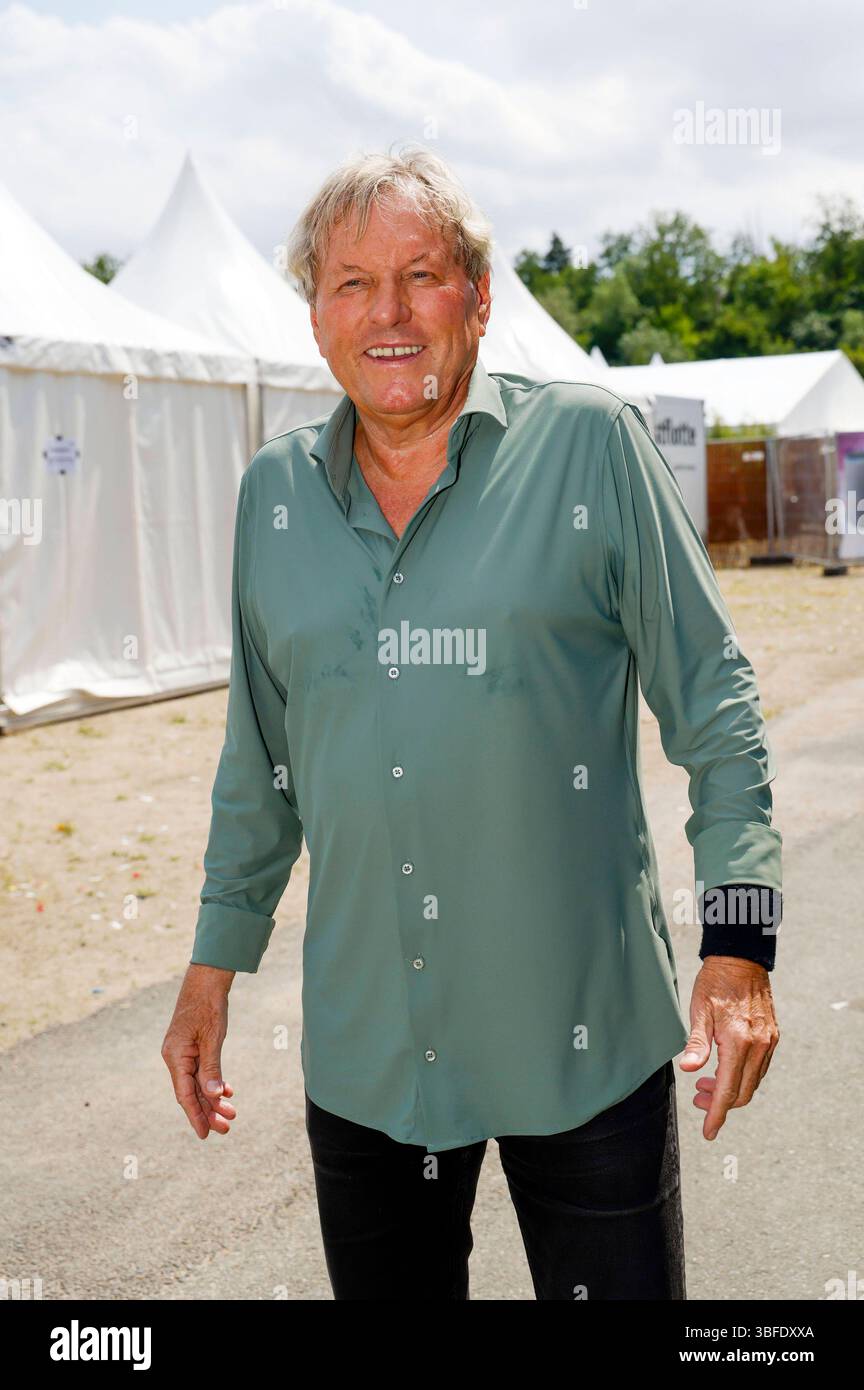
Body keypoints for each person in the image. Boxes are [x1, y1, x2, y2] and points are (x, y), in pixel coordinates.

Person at [162, 145, 782, 1300]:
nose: (387, 313)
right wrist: (212, 970)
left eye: (422, 276)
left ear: (480, 297)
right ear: (315, 316)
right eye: (352, 283)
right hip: (368, 1065)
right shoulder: (272, 496)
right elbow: (262, 760)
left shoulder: (589, 444)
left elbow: (717, 699)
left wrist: (741, 947)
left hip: (582, 1048)